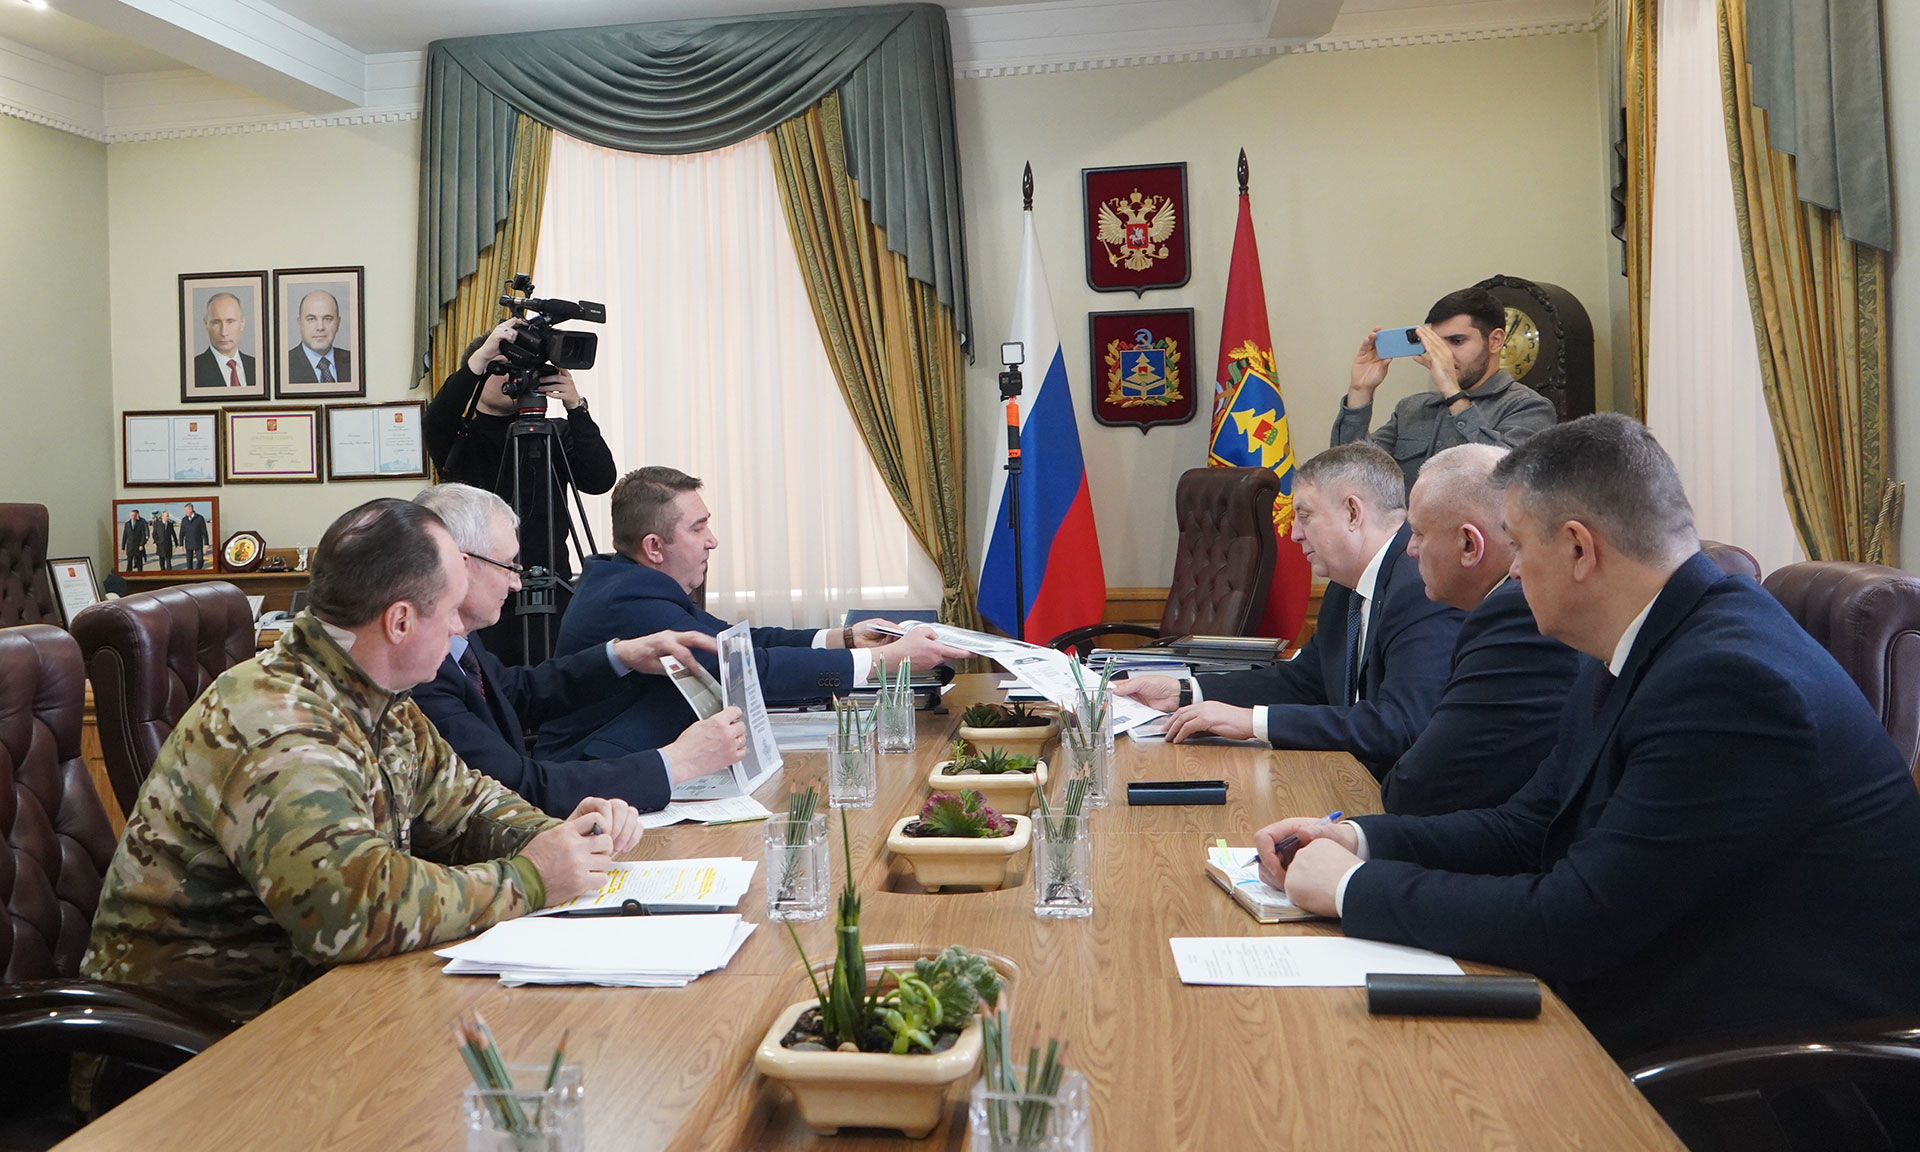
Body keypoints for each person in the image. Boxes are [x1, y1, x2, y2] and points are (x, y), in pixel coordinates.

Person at [1255, 414, 1920, 1059]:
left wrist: (1352, 889)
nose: (1514, 572)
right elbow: (1528, 827)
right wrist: (1358, 839)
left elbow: (1573, 923)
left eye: (1519, 545)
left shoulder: (1730, 682)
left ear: (1578, 548)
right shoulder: (1648, 639)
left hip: (1764, 1066)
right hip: (1660, 995)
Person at [81, 498, 642, 1023]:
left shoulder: (376, 696)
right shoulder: (278, 724)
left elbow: (465, 806)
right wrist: (530, 878)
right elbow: (352, 910)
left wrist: (563, 839)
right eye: (450, 610)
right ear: (400, 622)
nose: (457, 628)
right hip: (199, 1038)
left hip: (313, 1004)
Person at [536, 467, 972, 761]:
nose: (712, 540)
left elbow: (737, 641)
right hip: (599, 775)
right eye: (697, 528)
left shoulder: (632, 582)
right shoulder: (629, 600)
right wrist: (882, 661)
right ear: (653, 547)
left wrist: (844, 638)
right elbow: (745, 670)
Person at [1113, 444, 1461, 779]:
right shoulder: (1345, 587)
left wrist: (1252, 723)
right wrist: (1184, 691)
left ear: (1352, 513)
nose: (1294, 534)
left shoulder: (1419, 587)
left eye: (1305, 516)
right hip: (1348, 777)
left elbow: (1401, 724)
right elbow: (1302, 682)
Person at [411, 483, 748, 814]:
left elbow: (515, 692)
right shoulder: (422, 670)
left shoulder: (460, 642)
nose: (517, 583)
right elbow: (516, 788)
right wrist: (677, 762)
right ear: (461, 565)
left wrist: (621, 656)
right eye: (508, 565)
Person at [1382, 444, 1580, 814]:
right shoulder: (1505, 607)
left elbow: (1417, 788)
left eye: (1419, 533)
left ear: (1469, 544)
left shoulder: (1514, 615)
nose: (1410, 549)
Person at [424, 318, 619, 664]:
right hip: (482, 590)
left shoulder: (555, 432)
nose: (513, 377)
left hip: (552, 584)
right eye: (501, 367)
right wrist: (480, 358)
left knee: (553, 677)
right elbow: (436, 419)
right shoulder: (460, 436)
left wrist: (576, 407)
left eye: (521, 370)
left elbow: (600, 479)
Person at [1332, 287, 1556, 491]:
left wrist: (1452, 392)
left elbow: (1506, 479)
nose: (1443, 354)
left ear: (1495, 341)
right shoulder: (1412, 408)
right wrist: (1360, 391)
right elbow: (1349, 475)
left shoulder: (1529, 407)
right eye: (1436, 343)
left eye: (1457, 341)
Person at [192, 292, 259, 391]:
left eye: (230, 321)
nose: (223, 332)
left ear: (242, 323)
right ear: (206, 324)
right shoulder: (192, 370)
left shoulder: (257, 366)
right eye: (216, 322)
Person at [285, 288, 352, 385]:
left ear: (338, 323)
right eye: (311, 319)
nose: (320, 327)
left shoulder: (355, 362)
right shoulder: (283, 365)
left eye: (327, 319)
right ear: (300, 323)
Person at [180, 503, 209, 570]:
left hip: (198, 543)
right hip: (188, 543)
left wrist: (206, 543)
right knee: (189, 561)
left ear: (191, 509)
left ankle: (197, 570)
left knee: (200, 560)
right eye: (185, 510)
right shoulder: (184, 519)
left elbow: (204, 531)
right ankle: (190, 573)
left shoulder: (199, 518)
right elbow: (182, 532)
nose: (185, 512)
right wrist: (181, 544)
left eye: (186, 510)